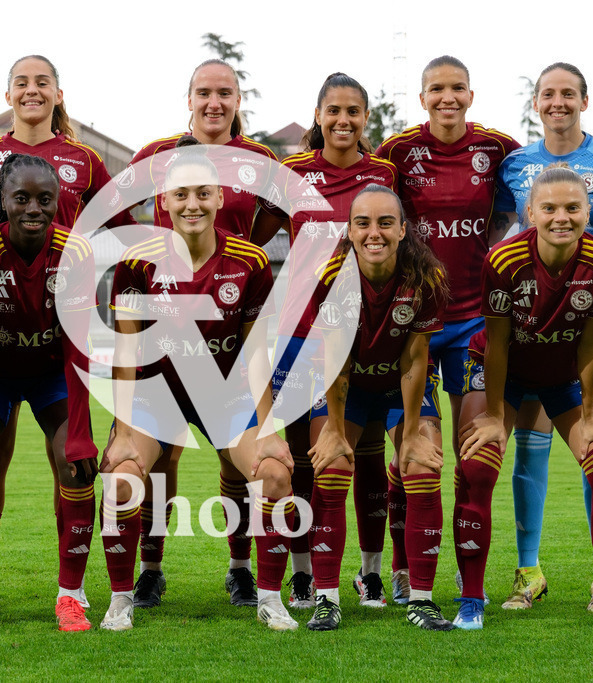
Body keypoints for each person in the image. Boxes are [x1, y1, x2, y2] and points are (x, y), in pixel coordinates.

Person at [0, 54, 125, 612]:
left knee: (71, 460)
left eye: (42, 83)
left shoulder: (85, 161)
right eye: (22, 83)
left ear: (58, 93)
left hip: (53, 342)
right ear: (8, 95)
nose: (32, 91)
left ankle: (71, 591)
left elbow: (121, 222)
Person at [99, 138, 298, 632]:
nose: (192, 204)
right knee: (122, 476)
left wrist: (270, 427)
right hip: (157, 394)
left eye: (203, 193)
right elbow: (125, 351)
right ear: (162, 201)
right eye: (181, 194)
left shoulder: (250, 262)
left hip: (223, 395)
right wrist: (123, 429)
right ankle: (121, 599)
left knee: (273, 472)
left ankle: (270, 599)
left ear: (220, 198)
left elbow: (255, 353)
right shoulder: (137, 262)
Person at [457, 165, 593, 632]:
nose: (562, 217)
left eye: (573, 208)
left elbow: (592, 343)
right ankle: (471, 601)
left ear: (588, 211)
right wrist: (496, 416)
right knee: (478, 464)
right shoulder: (503, 261)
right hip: (504, 372)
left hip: (562, 376)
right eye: (551, 208)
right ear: (530, 212)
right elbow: (497, 345)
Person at [126, 59, 279, 609]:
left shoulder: (260, 160)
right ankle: (150, 568)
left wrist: (242, 247)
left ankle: (240, 569)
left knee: (233, 460)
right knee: (159, 460)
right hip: (166, 323)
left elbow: (275, 222)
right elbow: (119, 215)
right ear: (187, 98)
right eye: (204, 93)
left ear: (239, 100)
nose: (214, 103)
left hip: (230, 319)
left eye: (226, 93)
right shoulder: (153, 156)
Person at [494, 62, 593, 611]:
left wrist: (588, 294)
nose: (558, 103)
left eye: (568, 94)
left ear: (585, 100)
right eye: (548, 94)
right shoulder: (515, 165)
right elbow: (498, 235)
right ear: (536, 103)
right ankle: (528, 572)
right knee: (529, 447)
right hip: (532, 324)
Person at [251, 72, 398, 611]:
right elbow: (253, 236)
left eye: (354, 111)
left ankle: (370, 571)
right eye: (333, 110)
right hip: (298, 332)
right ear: (318, 116)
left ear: (366, 118)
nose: (343, 120)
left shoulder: (383, 173)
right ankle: (304, 571)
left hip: (366, 335)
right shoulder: (292, 173)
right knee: (302, 458)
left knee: (363, 452)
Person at [378, 55, 520, 604]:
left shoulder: (495, 148)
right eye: (436, 88)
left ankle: (467, 569)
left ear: (470, 93)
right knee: (413, 454)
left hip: (471, 324)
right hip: (410, 320)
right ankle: (400, 565)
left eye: (457, 87)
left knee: (476, 456)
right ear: (422, 98)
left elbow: (531, 178)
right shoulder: (398, 152)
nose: (447, 97)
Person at [0, 152, 99, 633]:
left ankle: (70, 595)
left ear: (58, 203)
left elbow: (80, 351)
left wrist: (79, 434)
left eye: (45, 199)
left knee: (75, 466)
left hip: (52, 373)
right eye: (22, 198)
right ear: (2, 202)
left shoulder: (75, 254)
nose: (34, 208)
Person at [307, 184, 450, 631]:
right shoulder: (331, 276)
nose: (375, 232)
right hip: (344, 384)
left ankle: (421, 599)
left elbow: (414, 360)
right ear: (349, 231)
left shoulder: (426, 278)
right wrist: (332, 428)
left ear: (403, 229)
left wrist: (409, 435)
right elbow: (337, 360)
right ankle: (326, 597)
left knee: (422, 467)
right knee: (331, 465)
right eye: (363, 223)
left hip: (398, 383)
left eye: (386, 222)